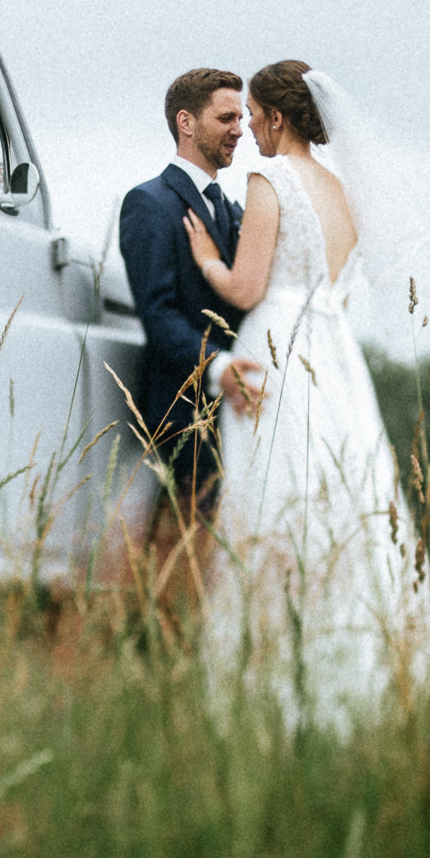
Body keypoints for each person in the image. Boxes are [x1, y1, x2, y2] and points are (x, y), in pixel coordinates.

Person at [182, 60, 430, 722]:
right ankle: (358, 675)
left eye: (254, 117)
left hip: (278, 350)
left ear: (276, 117)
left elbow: (245, 287)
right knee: (342, 504)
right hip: (335, 356)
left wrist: (207, 253)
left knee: (271, 500)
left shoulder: (273, 179)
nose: (250, 131)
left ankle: (263, 685)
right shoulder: (343, 191)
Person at [114, 69, 265, 617]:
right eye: (226, 118)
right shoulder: (149, 204)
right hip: (184, 413)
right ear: (186, 122)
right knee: (174, 555)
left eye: (241, 119)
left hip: (236, 415)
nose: (238, 130)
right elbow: (158, 315)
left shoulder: (232, 209)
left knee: (216, 560)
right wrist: (219, 365)